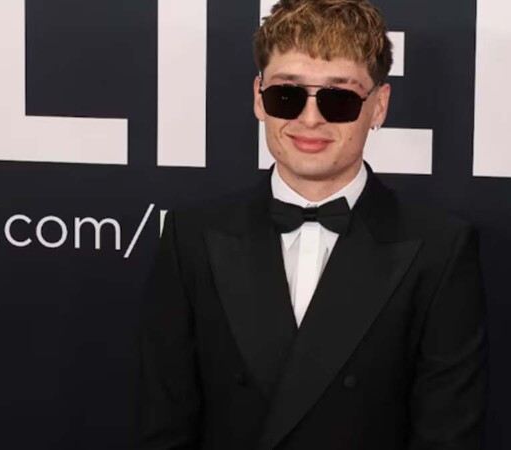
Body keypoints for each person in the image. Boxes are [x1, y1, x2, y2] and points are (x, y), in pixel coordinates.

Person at [132, 0, 486, 448]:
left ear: (378, 106)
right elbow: (164, 427)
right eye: (287, 95)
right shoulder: (192, 238)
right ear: (259, 98)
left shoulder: (440, 249)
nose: (310, 119)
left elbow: (447, 436)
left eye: (339, 99)